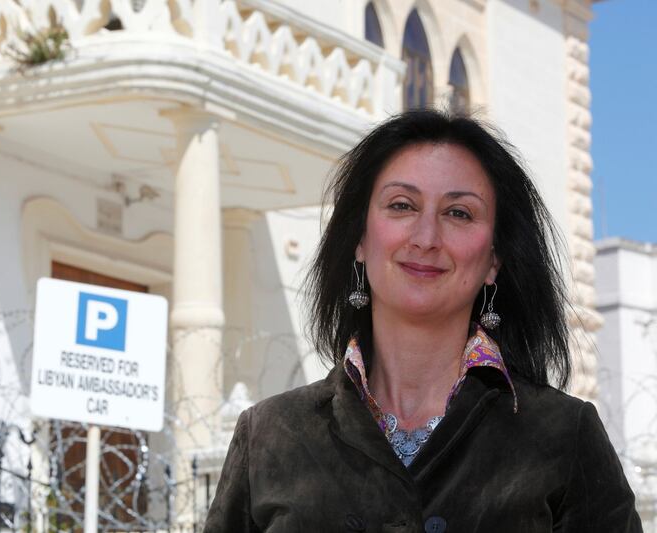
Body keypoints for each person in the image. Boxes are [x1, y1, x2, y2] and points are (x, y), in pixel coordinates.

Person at [203, 110, 641, 532]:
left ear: (493, 259)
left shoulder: (563, 436)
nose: (426, 237)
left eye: (459, 213)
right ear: (360, 239)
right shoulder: (269, 436)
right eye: (402, 205)